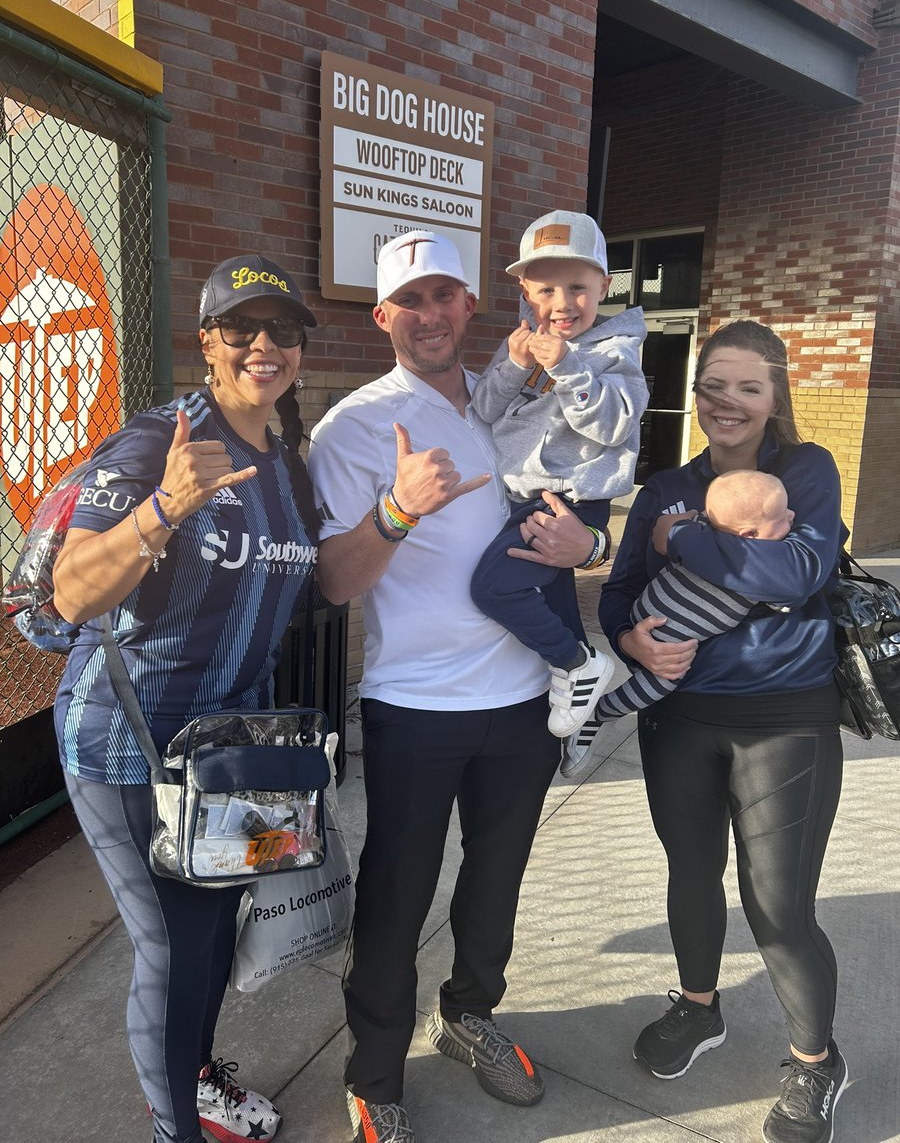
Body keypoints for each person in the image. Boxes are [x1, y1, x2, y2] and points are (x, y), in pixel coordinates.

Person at [51, 254, 319, 1143]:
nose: (263, 346)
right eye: (240, 328)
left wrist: (395, 512)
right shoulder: (159, 439)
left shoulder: (288, 459)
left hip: (221, 752)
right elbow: (74, 592)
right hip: (125, 740)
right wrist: (163, 507)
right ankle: (178, 1130)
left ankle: (197, 1081)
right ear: (206, 342)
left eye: (281, 329)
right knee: (169, 944)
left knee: (210, 928)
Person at [307, 231, 566, 1143]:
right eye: (410, 301)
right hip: (417, 704)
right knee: (397, 894)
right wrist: (399, 508)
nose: (430, 315)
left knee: (495, 882)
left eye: (445, 296)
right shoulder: (354, 427)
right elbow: (337, 582)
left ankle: (469, 1017)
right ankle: (375, 1073)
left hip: (525, 698)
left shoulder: (511, 407)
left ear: (467, 306)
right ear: (384, 317)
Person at [598, 320, 848, 1143]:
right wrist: (629, 638)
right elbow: (619, 590)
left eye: (748, 387)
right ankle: (699, 1009)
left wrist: (692, 541)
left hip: (786, 722)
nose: (727, 403)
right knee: (691, 874)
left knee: (777, 909)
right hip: (680, 722)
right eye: (714, 387)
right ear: (697, 394)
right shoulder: (664, 486)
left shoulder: (804, 471)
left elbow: (797, 572)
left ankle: (815, 1064)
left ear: (775, 396)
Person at [469, 210, 648, 739]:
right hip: (523, 497)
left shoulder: (617, 351)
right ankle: (583, 715)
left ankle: (577, 664)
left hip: (569, 501)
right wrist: (514, 367)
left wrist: (569, 366)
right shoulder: (520, 343)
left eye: (578, 287)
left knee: (493, 588)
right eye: (546, 289)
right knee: (553, 600)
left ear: (605, 286)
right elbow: (483, 409)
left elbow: (615, 424)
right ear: (525, 289)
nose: (562, 303)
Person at [561, 469, 795, 776]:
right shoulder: (755, 566)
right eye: (782, 517)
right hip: (665, 634)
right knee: (667, 679)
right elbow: (787, 593)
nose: (792, 515)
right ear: (750, 536)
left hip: (645, 611)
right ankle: (599, 713)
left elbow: (679, 523)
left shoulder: (700, 530)